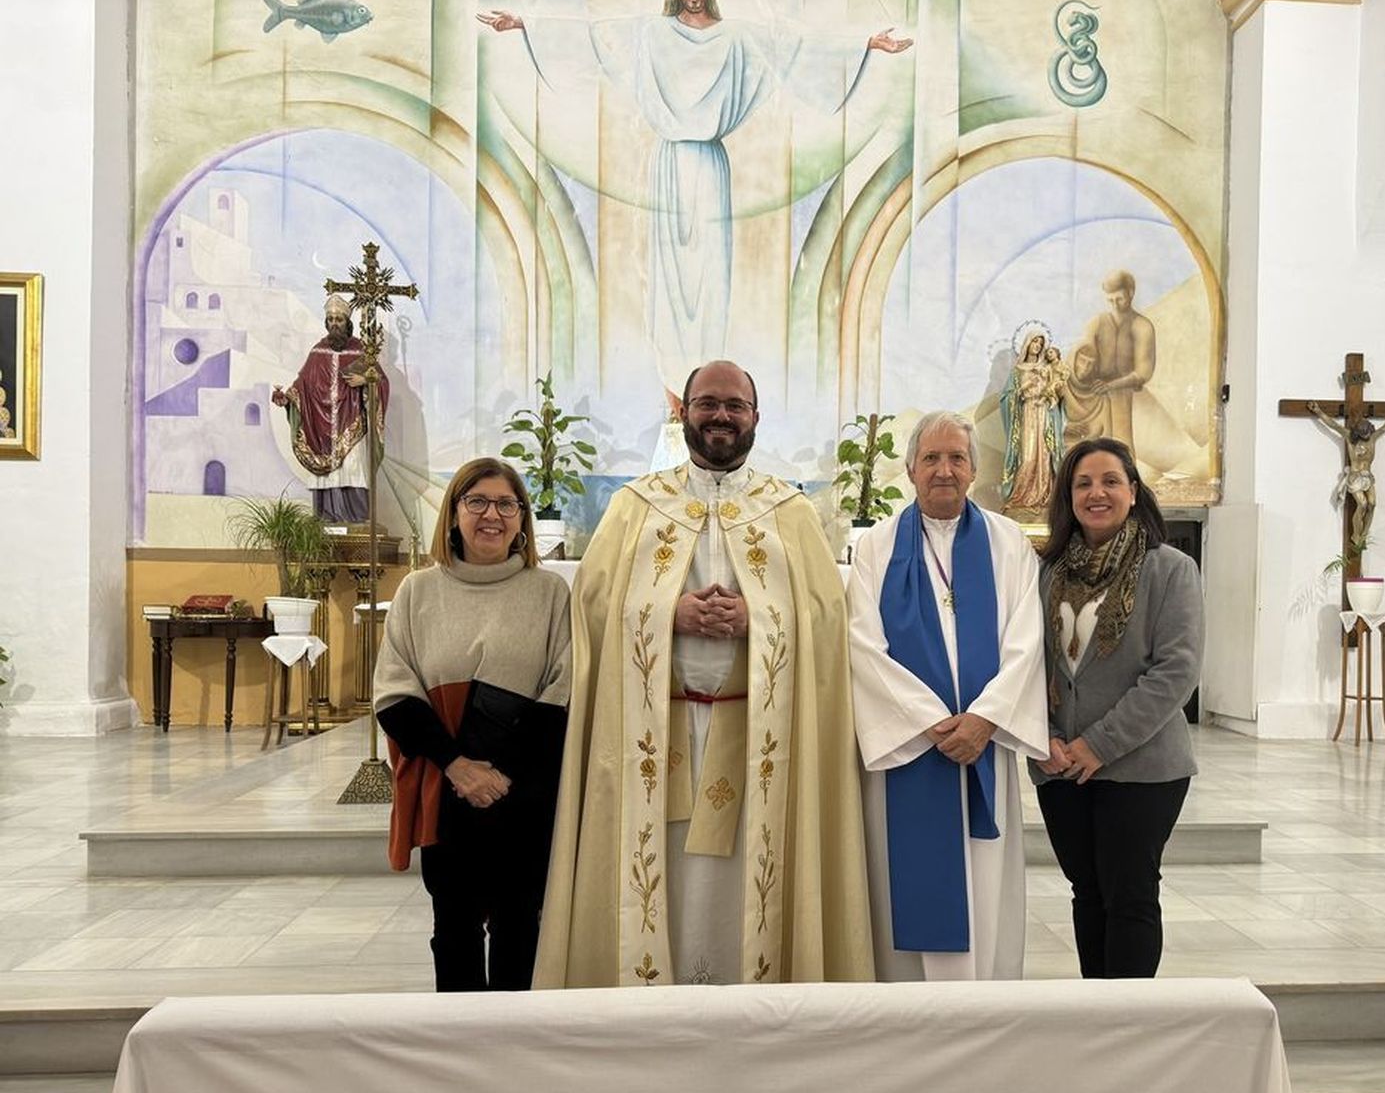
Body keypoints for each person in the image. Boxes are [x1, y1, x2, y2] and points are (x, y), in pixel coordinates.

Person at [536, 358, 873, 987]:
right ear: (683, 413)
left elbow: (828, 620)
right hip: (656, 736)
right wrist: (668, 612)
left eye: (734, 406)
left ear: (754, 417)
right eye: (708, 403)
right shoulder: (635, 507)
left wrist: (761, 616)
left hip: (761, 741)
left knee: (754, 872)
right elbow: (594, 608)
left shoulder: (790, 512)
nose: (721, 416)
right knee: (657, 871)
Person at [479, 1, 910, 389]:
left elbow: (796, 51)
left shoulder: (737, 37)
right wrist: (525, 23)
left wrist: (865, 43)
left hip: (709, 170)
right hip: (668, 169)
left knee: (709, 281)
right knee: (668, 285)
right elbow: (592, 36)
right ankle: (673, 390)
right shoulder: (650, 33)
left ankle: (704, 381)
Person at [848, 411, 1048, 981]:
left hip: (982, 746)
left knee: (985, 887)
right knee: (906, 880)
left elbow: (1026, 642)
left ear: (974, 470)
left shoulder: (1008, 543)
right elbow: (864, 647)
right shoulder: (877, 547)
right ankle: (908, 1008)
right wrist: (931, 723)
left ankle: (981, 1003)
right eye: (931, 459)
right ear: (910, 469)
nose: (944, 471)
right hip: (911, 752)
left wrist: (983, 720)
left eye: (956, 458)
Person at [373, 457, 572, 991]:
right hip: (447, 786)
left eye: (507, 504)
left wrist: (502, 772)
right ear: (454, 513)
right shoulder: (418, 591)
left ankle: (513, 1053)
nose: (493, 515)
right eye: (477, 501)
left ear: (523, 519)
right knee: (454, 929)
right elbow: (395, 691)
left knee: (519, 928)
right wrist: (460, 767)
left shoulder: (551, 594)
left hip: (524, 791)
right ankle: (459, 1053)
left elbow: (563, 689)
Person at [1032, 436, 1202, 978]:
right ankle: (1097, 1014)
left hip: (1143, 769)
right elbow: (1028, 662)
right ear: (1068, 496)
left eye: (1110, 481)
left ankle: (1132, 1023)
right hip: (1060, 768)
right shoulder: (1047, 571)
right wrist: (1045, 737)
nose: (1096, 493)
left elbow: (1176, 672)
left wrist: (1096, 745)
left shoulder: (1169, 569)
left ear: (1133, 492)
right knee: (1087, 892)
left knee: (1129, 896)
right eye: (1083, 483)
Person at [271, 295, 390, 524]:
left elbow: (382, 383)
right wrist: (287, 399)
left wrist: (366, 380)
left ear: (348, 322)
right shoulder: (318, 352)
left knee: (354, 469)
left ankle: (357, 521)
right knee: (327, 476)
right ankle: (327, 520)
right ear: (326, 323)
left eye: (339, 319)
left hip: (352, 423)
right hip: (321, 430)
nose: (335, 323)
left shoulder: (362, 351)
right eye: (331, 319)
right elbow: (301, 386)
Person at [1306, 399, 1385, 550]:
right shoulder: (1349, 437)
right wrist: (1318, 411)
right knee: (1362, 504)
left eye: (1368, 435)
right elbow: (1333, 425)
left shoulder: (1372, 438)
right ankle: (1355, 535)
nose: (1366, 438)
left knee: (1372, 505)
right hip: (1354, 478)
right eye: (1363, 435)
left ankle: (1363, 536)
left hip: (1368, 477)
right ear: (1358, 433)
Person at [1080, 270, 1155, 455]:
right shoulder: (1096, 323)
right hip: (1094, 393)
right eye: (1110, 300)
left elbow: (1143, 372)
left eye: (1119, 299)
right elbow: (1082, 357)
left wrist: (1111, 385)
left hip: (1123, 392)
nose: (1114, 304)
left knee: (1123, 446)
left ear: (1131, 293)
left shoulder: (1142, 326)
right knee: (1093, 446)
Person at [999, 332, 1061, 516]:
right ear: (1027, 344)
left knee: (1044, 457)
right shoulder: (1017, 370)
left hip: (1044, 414)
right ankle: (1021, 499)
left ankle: (1045, 499)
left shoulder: (1047, 368)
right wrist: (1025, 387)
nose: (1037, 345)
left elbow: (1057, 391)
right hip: (1026, 414)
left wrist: (1052, 393)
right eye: (1034, 341)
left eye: (1040, 343)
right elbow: (1007, 397)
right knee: (1026, 457)